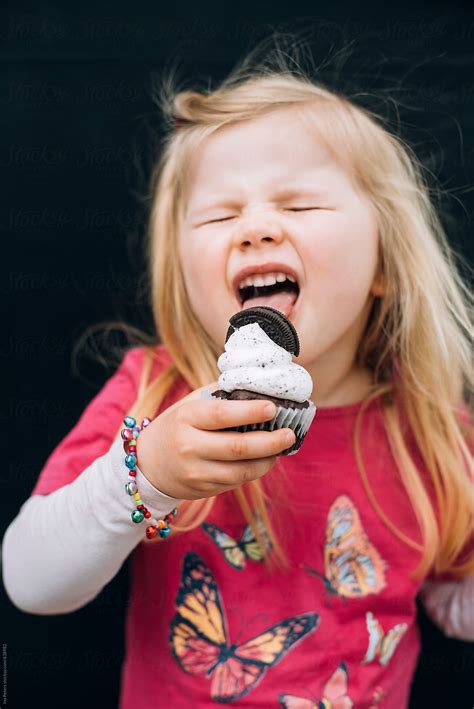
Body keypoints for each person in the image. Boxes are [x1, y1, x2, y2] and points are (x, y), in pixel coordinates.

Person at [2, 39, 473, 709]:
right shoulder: (153, 396)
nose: (254, 228)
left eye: (300, 206)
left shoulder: (430, 431)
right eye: (221, 214)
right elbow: (31, 581)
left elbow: (452, 592)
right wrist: (146, 474)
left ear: (383, 268)